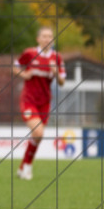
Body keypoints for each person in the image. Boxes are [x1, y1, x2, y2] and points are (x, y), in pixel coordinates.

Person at [14, 26, 66, 180]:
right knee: (38, 132)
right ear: (38, 39)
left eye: (50, 36)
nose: (47, 39)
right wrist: (24, 74)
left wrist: (55, 72)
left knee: (37, 136)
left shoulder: (57, 58)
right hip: (29, 100)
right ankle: (27, 168)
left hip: (45, 102)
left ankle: (23, 166)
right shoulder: (30, 53)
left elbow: (62, 82)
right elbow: (15, 67)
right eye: (44, 36)